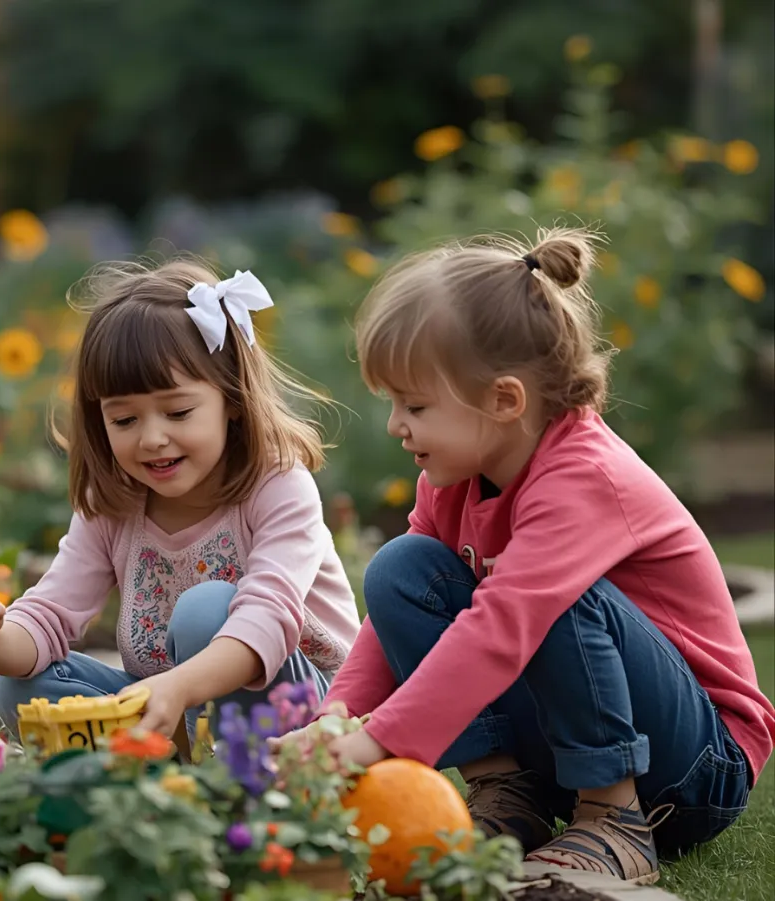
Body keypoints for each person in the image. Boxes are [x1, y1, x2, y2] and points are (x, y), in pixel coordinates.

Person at [287, 227, 774, 885]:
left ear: (504, 399)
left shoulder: (582, 478)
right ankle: (509, 793)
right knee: (402, 567)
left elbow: (501, 626)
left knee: (555, 599)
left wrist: (378, 740)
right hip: (570, 732)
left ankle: (614, 817)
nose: (395, 425)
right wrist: (333, 721)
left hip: (693, 764)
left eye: (415, 404)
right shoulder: (451, 479)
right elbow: (392, 622)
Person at [0, 257, 360, 748]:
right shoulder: (113, 503)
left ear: (232, 399)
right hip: (173, 708)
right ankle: (167, 777)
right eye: (124, 421)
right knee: (19, 686)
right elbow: (51, 615)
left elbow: (266, 619)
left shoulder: (278, 486)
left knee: (208, 609)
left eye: (178, 411)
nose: (152, 438)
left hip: (301, 713)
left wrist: (178, 689)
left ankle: (238, 784)